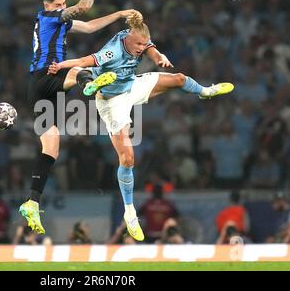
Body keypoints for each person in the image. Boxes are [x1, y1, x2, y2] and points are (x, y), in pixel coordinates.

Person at [48, 13, 234, 241]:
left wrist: (158, 56)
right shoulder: (113, 51)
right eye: (137, 45)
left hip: (131, 85)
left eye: (143, 44)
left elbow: (149, 48)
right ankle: (130, 213)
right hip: (112, 102)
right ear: (127, 40)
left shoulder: (137, 36)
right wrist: (60, 66)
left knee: (177, 78)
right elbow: (83, 60)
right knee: (127, 158)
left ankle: (206, 91)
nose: (140, 48)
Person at [19, 0, 141, 234]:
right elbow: (82, 9)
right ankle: (90, 85)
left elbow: (90, 26)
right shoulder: (47, 17)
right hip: (45, 77)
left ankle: (31, 202)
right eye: (58, 5)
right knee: (77, 71)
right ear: (47, 6)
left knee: (51, 148)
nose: (62, 8)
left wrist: (119, 15)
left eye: (63, 4)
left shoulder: (60, 21)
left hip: (41, 87)